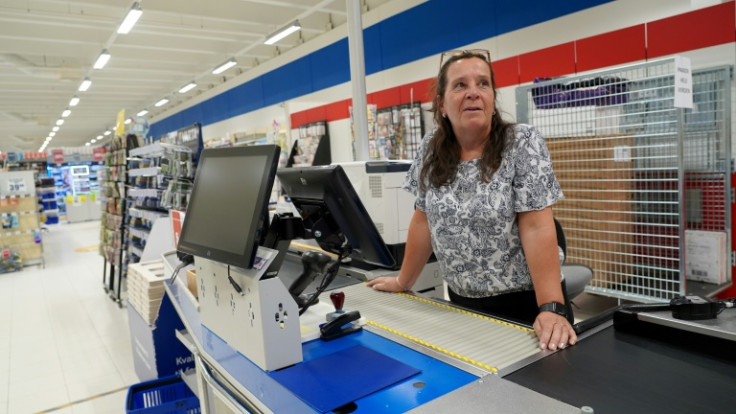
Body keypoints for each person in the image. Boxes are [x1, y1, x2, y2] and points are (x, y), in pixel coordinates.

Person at [366, 49, 577, 351]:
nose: (473, 93)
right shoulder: (430, 148)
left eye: (483, 84)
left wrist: (551, 308)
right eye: (460, 85)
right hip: (461, 303)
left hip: (526, 306)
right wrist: (403, 281)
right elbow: (423, 219)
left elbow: (537, 226)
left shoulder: (521, 142)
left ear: (493, 98)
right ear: (441, 103)